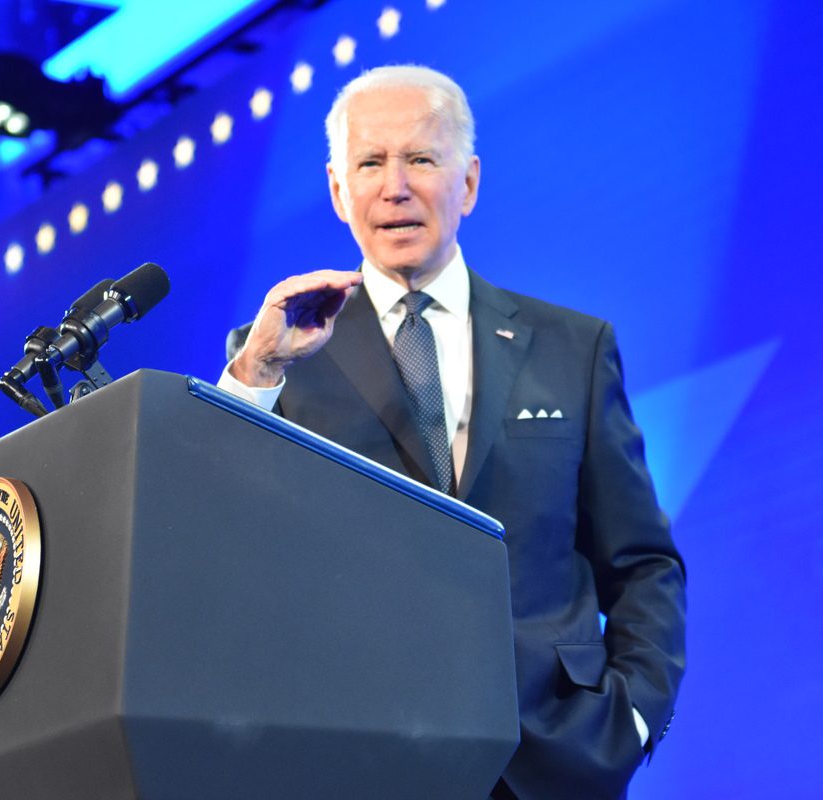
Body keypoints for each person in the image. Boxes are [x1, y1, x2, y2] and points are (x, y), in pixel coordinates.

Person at [218, 65, 686, 799]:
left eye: (421, 159)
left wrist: (632, 719)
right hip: (364, 764)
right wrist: (254, 376)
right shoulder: (282, 352)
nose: (394, 186)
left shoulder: (572, 346)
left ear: (467, 183)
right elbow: (226, 543)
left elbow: (643, 563)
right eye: (370, 163)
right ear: (339, 191)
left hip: (559, 761)